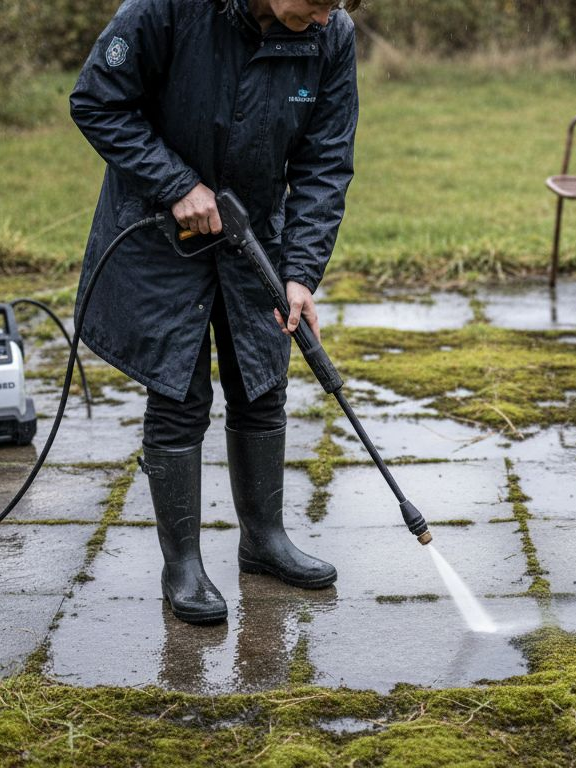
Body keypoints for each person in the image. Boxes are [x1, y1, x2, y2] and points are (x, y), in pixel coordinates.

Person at [69, 0, 360, 624]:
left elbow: (324, 162)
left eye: (335, 8)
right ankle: (183, 565)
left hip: (256, 234)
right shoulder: (168, 8)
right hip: (157, 230)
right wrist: (175, 184)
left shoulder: (331, 34)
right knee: (179, 395)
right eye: (316, 4)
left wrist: (302, 272)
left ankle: (264, 540)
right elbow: (96, 102)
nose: (322, 20)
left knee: (262, 385)